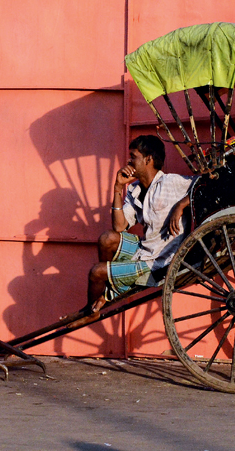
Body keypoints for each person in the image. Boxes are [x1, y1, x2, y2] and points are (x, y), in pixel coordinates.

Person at [70, 135, 195, 328]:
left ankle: (94, 308)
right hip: (145, 250)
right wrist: (118, 188)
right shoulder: (135, 189)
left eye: (133, 156)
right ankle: (109, 291)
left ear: (148, 159)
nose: (129, 162)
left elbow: (203, 184)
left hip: (160, 261)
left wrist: (181, 205)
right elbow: (119, 227)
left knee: (97, 272)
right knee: (107, 239)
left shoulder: (171, 183)